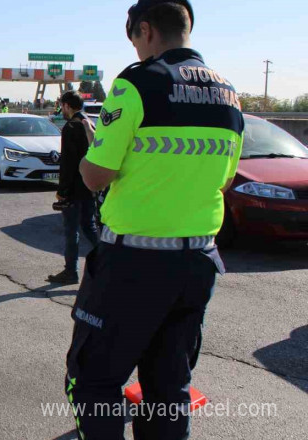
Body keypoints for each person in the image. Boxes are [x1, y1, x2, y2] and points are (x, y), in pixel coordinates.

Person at [64, 1, 244, 439]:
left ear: (144, 30)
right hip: (197, 262)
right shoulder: (229, 94)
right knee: (167, 388)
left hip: (132, 264)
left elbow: (94, 175)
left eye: (134, 40)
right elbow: (225, 180)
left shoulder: (136, 83)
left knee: (93, 381)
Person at [48, 91, 99, 284]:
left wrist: (62, 191)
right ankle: (108, 263)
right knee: (89, 227)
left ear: (68, 106)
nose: (61, 110)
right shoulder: (89, 123)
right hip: (89, 185)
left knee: (71, 231)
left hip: (74, 189)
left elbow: (68, 164)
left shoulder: (71, 127)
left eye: (62, 106)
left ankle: (71, 271)